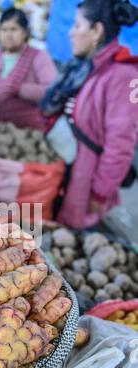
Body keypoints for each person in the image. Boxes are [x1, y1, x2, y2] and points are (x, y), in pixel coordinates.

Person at [42, 0, 138, 229]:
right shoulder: (85, 66)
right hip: (67, 173)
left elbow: (121, 145)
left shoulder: (123, 75)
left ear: (97, 31)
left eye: (77, 26)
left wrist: (100, 193)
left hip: (86, 185)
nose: (70, 33)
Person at [0, 8, 57, 131]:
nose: (8, 35)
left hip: (27, 132)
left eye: (14, 29)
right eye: (4, 30)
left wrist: (19, 88)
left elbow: (53, 92)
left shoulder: (38, 57)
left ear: (24, 33)